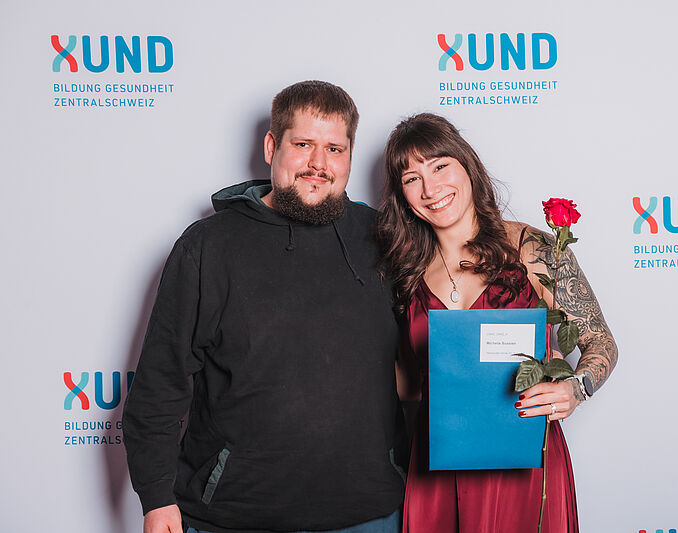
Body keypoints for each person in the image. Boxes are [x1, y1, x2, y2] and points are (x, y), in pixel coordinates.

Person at [122, 81, 405, 533]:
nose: (319, 163)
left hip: (368, 516)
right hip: (233, 517)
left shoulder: (384, 239)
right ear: (272, 147)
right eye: (303, 144)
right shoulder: (208, 246)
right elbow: (160, 382)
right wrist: (156, 499)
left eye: (334, 149)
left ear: (350, 155)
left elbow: (452, 306)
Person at [376, 113, 618, 533]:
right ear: (402, 195)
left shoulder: (531, 248)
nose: (430, 189)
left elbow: (601, 341)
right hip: (436, 468)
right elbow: (406, 382)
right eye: (412, 178)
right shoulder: (405, 272)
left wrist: (574, 389)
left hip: (523, 467)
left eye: (440, 166)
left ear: (467, 166)